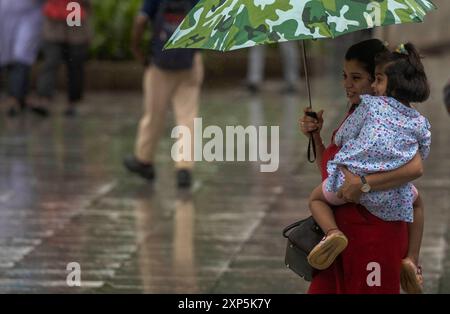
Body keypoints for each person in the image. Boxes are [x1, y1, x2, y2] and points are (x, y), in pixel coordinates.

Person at [299, 39, 426, 294]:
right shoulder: (357, 113)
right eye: (345, 76)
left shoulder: (375, 113)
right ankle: (412, 259)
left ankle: (411, 260)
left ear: (378, 79)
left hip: (373, 231)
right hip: (346, 235)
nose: (347, 84)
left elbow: (415, 168)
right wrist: (316, 137)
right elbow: (331, 170)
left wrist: (364, 184)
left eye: (357, 77)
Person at [123, 0, 203, 188]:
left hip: (160, 63)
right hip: (190, 60)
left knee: (154, 114)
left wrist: (137, 50)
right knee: (187, 116)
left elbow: (141, 21)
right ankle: (184, 167)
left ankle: (144, 159)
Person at [28, 0, 91, 117]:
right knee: (51, 61)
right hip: (54, 18)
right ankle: (44, 98)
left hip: (74, 12)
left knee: (75, 62)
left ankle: (73, 102)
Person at [0, 0, 43, 117]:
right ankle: (20, 97)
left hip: (30, 13)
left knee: (21, 55)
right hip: (5, 12)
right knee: (7, 55)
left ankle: (15, 99)